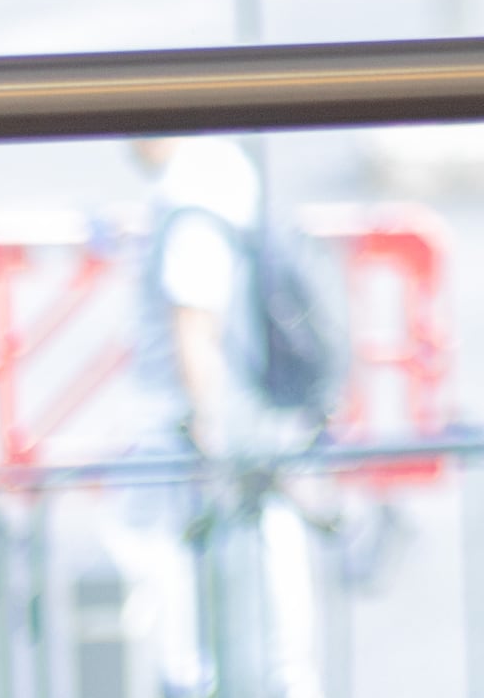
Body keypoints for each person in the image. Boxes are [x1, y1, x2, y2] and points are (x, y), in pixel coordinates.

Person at [115, 132, 323, 698]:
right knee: (267, 539)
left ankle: (194, 677)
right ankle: (279, 677)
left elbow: (194, 323)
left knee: (159, 544)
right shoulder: (227, 170)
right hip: (252, 408)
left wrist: (204, 427)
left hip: (212, 420)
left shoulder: (191, 198)